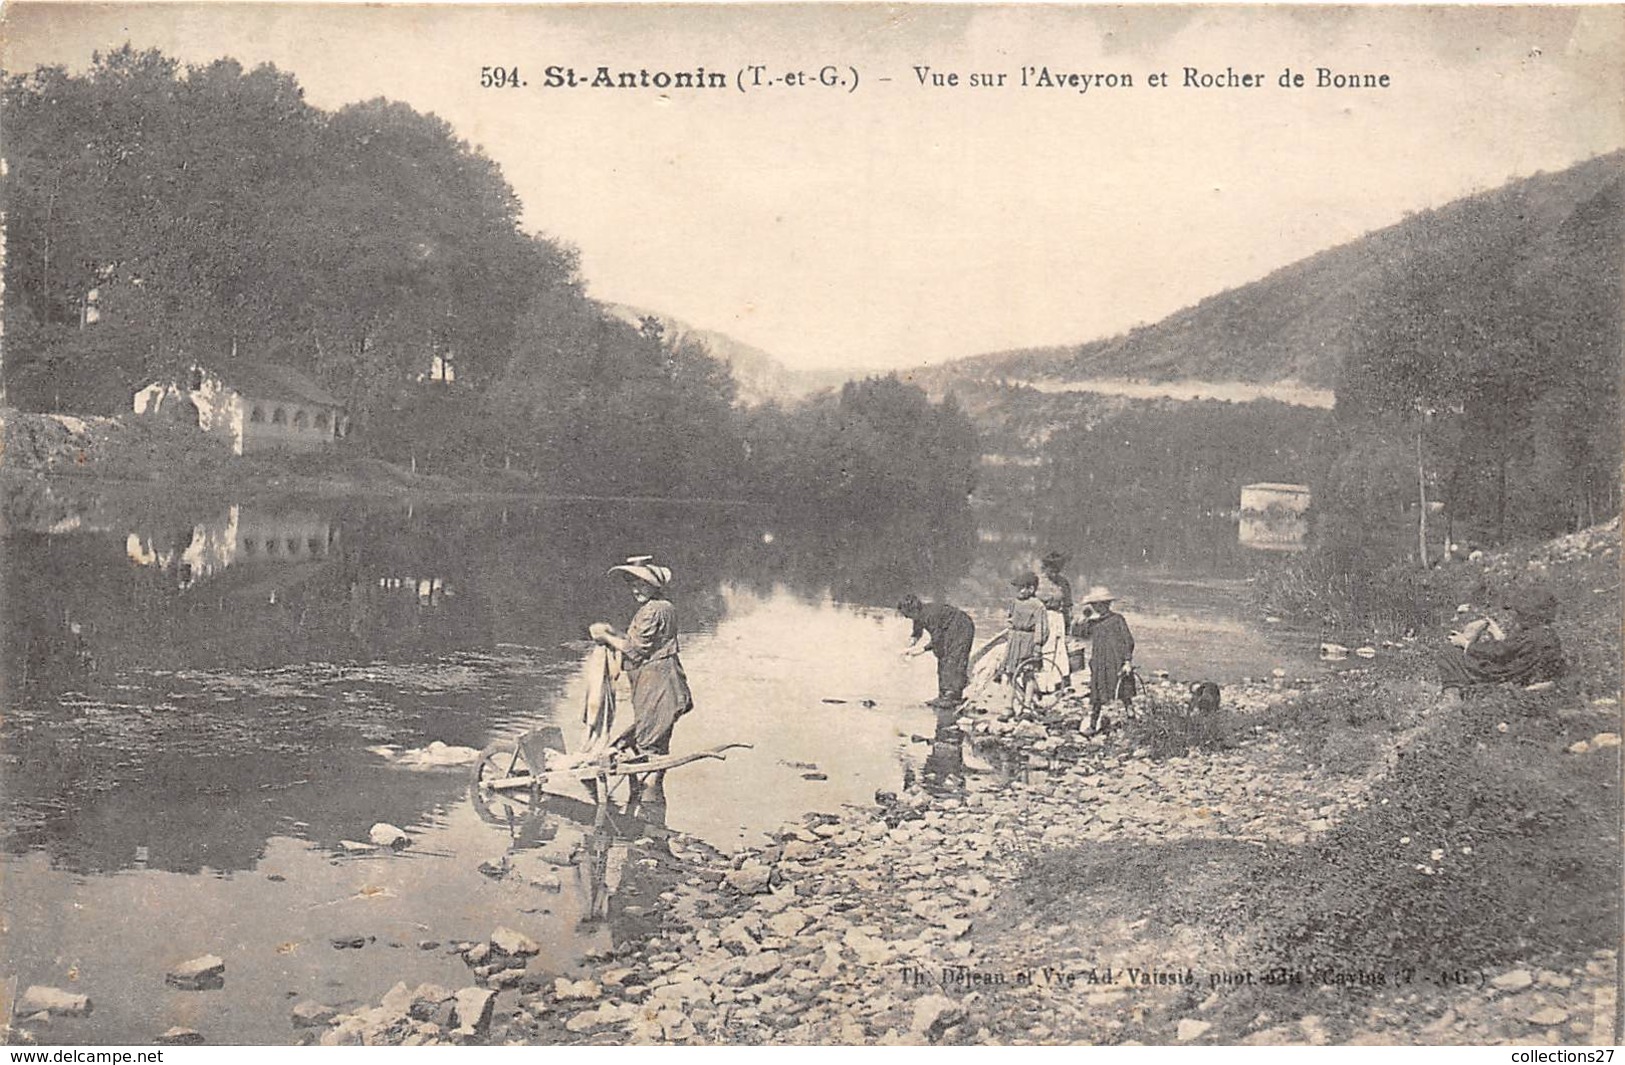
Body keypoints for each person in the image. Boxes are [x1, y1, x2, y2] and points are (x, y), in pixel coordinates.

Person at [590, 557, 694, 759]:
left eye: (642, 586)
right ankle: (643, 787)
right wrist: (614, 634)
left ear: (653, 586)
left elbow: (635, 650)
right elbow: (644, 642)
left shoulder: (652, 611)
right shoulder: (665, 606)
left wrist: (605, 636)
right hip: (664, 681)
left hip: (656, 684)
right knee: (653, 739)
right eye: (633, 586)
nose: (636, 591)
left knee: (649, 745)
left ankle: (646, 788)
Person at [1433, 590, 1565, 697]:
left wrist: (1465, 643)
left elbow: (1498, 652)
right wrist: (1498, 635)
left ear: (1530, 616)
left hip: (1502, 674)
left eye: (1520, 614)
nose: (1516, 617)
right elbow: (1514, 650)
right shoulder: (1548, 635)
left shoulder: (1531, 635)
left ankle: (1452, 697)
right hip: (1520, 674)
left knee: (1449, 654)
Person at [898, 594, 976, 712]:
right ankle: (944, 695)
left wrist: (921, 651)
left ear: (913, 609)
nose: (906, 617)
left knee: (954, 659)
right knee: (942, 657)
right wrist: (908, 647)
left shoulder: (930, 615)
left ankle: (953, 696)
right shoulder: (918, 616)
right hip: (949, 629)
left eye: (907, 614)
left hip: (962, 627)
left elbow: (937, 639)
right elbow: (917, 634)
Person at [1074, 585, 1135, 734]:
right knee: (1097, 693)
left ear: (1107, 604)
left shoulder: (1117, 619)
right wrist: (1083, 619)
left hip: (1116, 660)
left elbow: (1128, 640)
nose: (1096, 607)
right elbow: (1079, 634)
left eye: (1099, 604)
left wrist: (1127, 661)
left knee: (1123, 690)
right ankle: (1093, 724)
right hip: (1099, 662)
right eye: (1094, 605)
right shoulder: (1094, 623)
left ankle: (1132, 717)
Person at [1001, 573, 1049, 710]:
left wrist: (1038, 645)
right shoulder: (1015, 602)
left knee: (1028, 674)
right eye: (1018, 588)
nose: (1019, 591)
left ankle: (1027, 705)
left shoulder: (1038, 606)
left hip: (1029, 641)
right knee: (1010, 673)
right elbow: (1010, 619)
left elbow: (1041, 627)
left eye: (1022, 588)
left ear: (1031, 589)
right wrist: (1010, 634)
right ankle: (1008, 706)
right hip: (1014, 640)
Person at [1035, 551, 1073, 694]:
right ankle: (1045, 684)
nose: (1055, 573)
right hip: (1044, 617)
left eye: (1058, 570)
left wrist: (1069, 626)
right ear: (1046, 567)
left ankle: (1060, 682)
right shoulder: (1038, 582)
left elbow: (1068, 605)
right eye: (1052, 569)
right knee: (1047, 648)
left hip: (1059, 617)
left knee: (1060, 648)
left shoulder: (1063, 583)